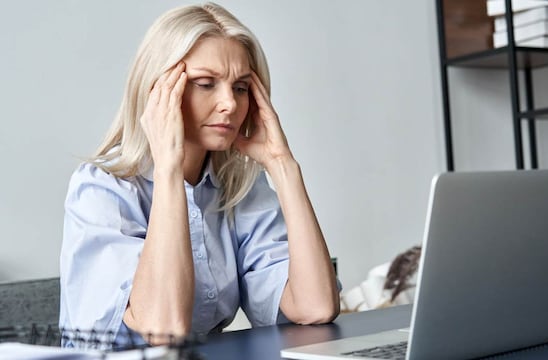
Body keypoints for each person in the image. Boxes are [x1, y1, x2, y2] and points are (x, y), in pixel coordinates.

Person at [59, 2, 339, 348]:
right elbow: (163, 328)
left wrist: (283, 165)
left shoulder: (238, 187)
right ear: (158, 90)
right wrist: (169, 169)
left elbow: (315, 307)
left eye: (240, 88)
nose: (230, 104)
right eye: (206, 84)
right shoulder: (101, 188)